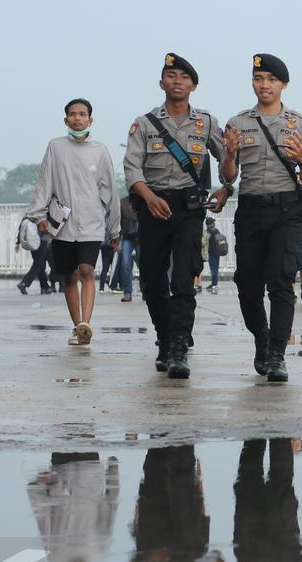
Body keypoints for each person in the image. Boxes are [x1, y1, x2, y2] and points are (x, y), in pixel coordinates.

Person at [125, 54, 229, 378]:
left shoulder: (207, 122)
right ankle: (164, 338)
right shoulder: (144, 123)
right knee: (153, 281)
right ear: (161, 83)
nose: (177, 81)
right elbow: (131, 167)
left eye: (184, 76)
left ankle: (179, 348)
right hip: (153, 207)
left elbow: (228, 158)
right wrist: (148, 196)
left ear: (193, 85)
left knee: (183, 279)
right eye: (171, 75)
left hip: (189, 210)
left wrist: (227, 187)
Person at [222, 54, 302, 382]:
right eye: (259, 78)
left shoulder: (300, 124)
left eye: (271, 80)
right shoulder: (236, 123)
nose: (264, 85)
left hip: (287, 212)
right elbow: (228, 175)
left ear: (284, 85)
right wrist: (230, 155)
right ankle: (261, 340)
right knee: (247, 284)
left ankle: (277, 354)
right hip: (250, 209)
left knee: (280, 281)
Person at [25, 98, 121, 346]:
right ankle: (76, 326)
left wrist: (114, 227)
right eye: (72, 114)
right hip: (63, 224)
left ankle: (85, 325)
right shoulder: (55, 147)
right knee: (69, 276)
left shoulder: (100, 151)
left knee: (87, 271)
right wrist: (38, 215)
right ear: (65, 119)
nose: (77, 118)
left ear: (91, 119)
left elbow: (110, 189)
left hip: (91, 222)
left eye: (82, 114)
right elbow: (45, 181)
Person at [16, 220, 53, 294]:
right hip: (41, 241)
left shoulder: (30, 213)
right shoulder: (44, 212)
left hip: (32, 241)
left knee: (40, 265)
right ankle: (24, 283)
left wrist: (18, 242)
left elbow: (22, 227)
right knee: (38, 264)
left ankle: (45, 287)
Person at [115, 196, 140, 301]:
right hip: (127, 236)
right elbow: (118, 221)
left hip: (141, 236)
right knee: (125, 265)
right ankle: (127, 292)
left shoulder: (143, 200)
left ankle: (145, 289)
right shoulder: (122, 202)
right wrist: (116, 239)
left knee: (144, 264)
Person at [205, 217, 224, 293]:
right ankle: (214, 284)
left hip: (211, 253)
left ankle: (214, 284)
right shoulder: (216, 231)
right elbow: (221, 241)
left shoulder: (207, 232)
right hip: (217, 252)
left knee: (213, 269)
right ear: (212, 224)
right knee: (215, 268)